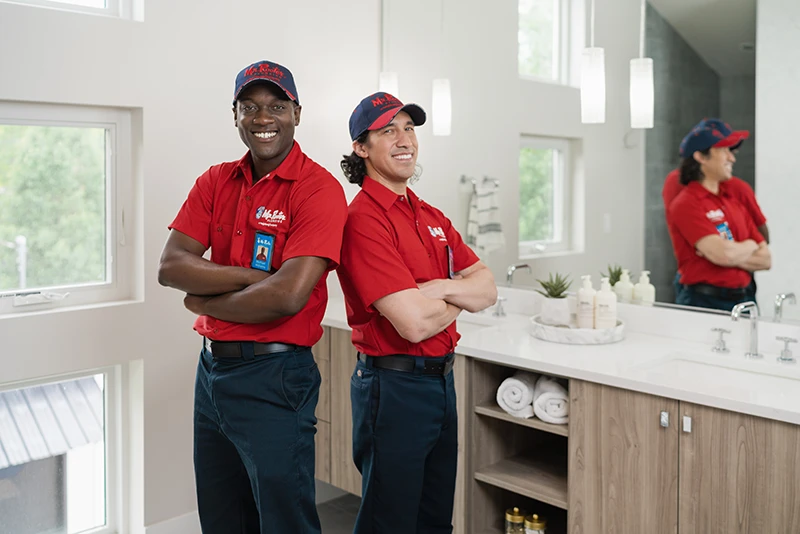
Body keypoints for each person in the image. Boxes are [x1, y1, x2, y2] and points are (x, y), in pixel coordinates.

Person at [157, 60, 347, 534]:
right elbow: (171, 266)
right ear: (236, 114)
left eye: (276, 106)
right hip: (212, 374)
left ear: (297, 113)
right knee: (223, 517)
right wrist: (248, 277)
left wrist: (203, 301)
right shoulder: (216, 180)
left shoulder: (318, 189)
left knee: (284, 522)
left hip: (275, 376)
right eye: (251, 107)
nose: (263, 118)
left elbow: (287, 296)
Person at [337, 92, 497, 533]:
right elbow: (412, 324)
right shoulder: (362, 220)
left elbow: (487, 290)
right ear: (362, 148)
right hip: (393, 389)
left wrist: (441, 288)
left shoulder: (430, 215)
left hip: (441, 383)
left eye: (408, 128)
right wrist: (459, 297)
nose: (404, 138)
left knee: (433, 521)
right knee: (390, 523)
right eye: (388, 130)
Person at [667, 118, 771, 311]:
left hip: (744, 300)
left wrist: (730, 252)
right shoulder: (686, 203)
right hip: (705, 301)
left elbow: (765, 259)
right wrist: (747, 246)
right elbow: (722, 254)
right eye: (723, 150)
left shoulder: (732, 199)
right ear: (701, 157)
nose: (732, 158)